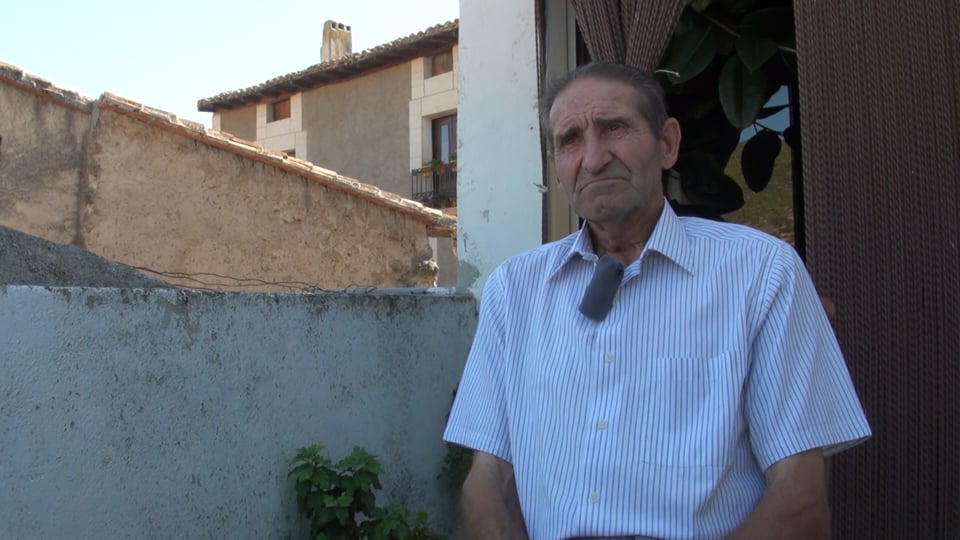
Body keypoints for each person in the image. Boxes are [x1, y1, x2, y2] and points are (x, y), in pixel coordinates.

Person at [443, 62, 871, 540]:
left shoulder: (761, 273)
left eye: (614, 128)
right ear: (557, 168)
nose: (593, 158)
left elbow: (800, 497)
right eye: (570, 140)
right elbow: (487, 480)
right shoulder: (513, 290)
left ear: (667, 144)